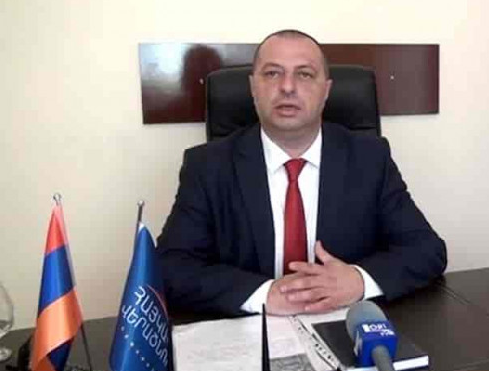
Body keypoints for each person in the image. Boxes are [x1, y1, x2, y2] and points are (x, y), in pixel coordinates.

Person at [157, 29, 447, 316]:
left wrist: (358, 280)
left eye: (305, 74)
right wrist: (263, 295)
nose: (287, 87)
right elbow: (170, 266)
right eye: (272, 73)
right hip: (251, 329)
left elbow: (427, 249)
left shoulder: (370, 159)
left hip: (344, 325)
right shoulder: (208, 166)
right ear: (253, 87)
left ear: (326, 90)